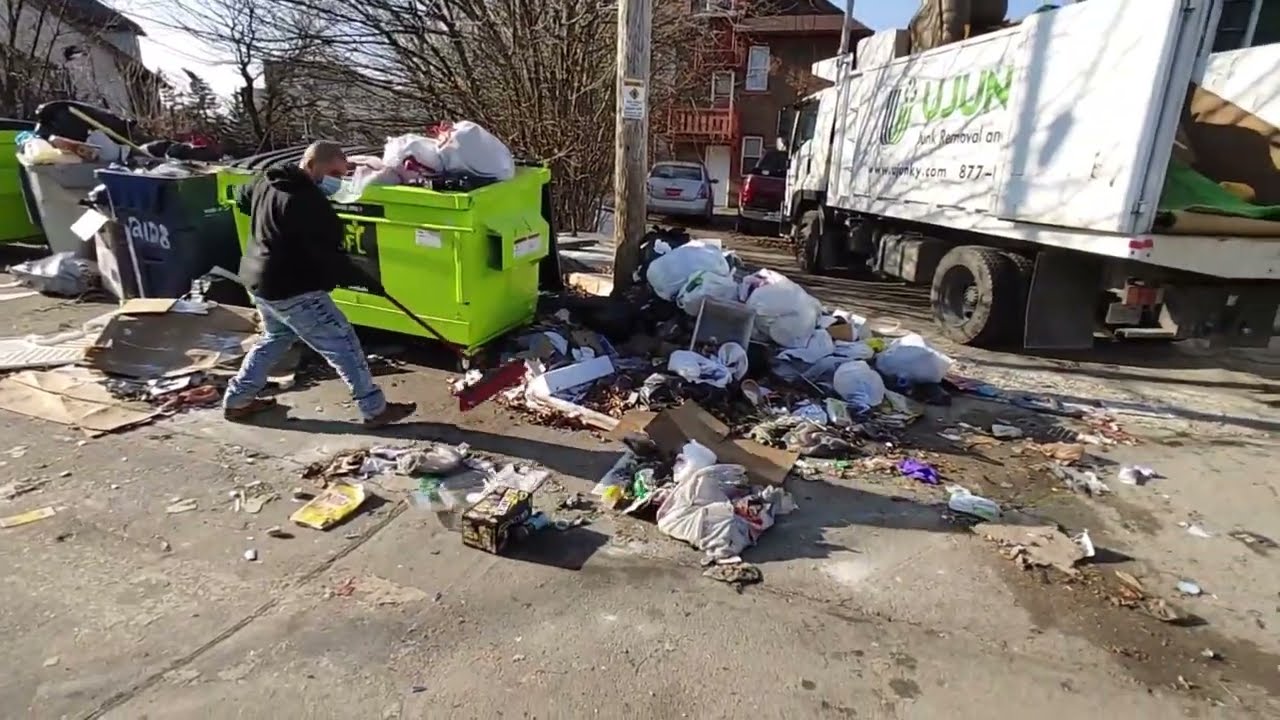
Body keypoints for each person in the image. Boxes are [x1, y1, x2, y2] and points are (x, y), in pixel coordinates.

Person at [222, 141, 416, 427]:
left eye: (342, 174)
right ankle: (375, 410)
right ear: (312, 165)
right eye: (334, 174)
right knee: (344, 344)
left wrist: (271, 226)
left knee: (276, 338)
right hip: (293, 289)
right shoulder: (309, 203)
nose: (337, 181)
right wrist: (369, 283)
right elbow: (332, 259)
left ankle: (237, 401)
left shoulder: (269, 179)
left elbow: (241, 197)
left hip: (258, 279)